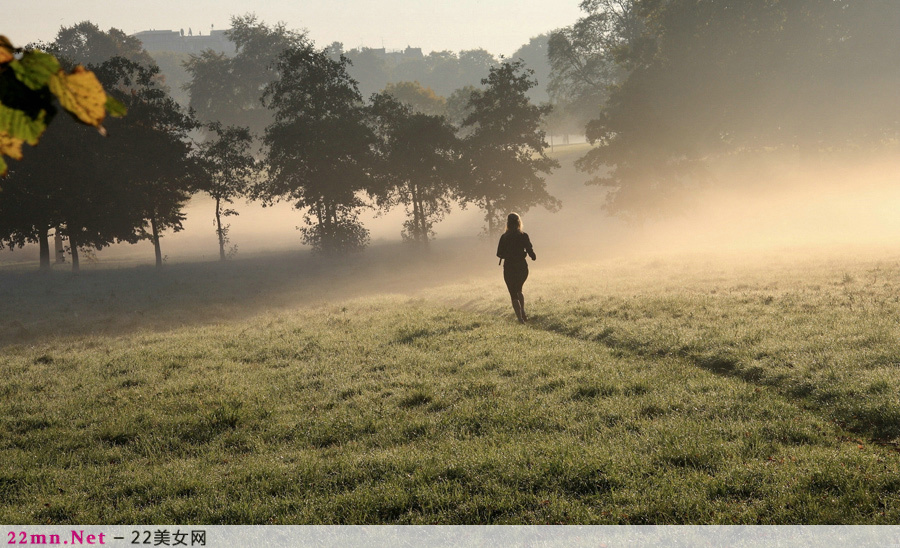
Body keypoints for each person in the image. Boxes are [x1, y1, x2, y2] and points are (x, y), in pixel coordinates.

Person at [496, 213, 536, 323]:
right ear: (519, 222)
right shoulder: (523, 235)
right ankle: (522, 310)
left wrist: (507, 254)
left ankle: (520, 319)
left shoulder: (504, 237)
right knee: (519, 289)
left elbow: (499, 253)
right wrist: (532, 256)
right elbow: (529, 249)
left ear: (508, 223)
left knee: (513, 293)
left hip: (509, 267)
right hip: (522, 266)